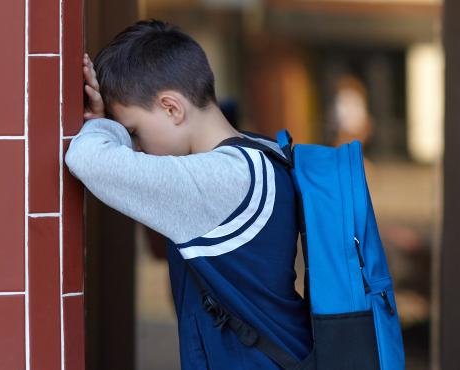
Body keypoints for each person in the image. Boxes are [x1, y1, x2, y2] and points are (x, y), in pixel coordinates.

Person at [64, 19, 312, 369]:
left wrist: (102, 124)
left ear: (172, 107)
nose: (136, 147)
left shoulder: (216, 180)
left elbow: (85, 158)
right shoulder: (261, 153)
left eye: (134, 130)